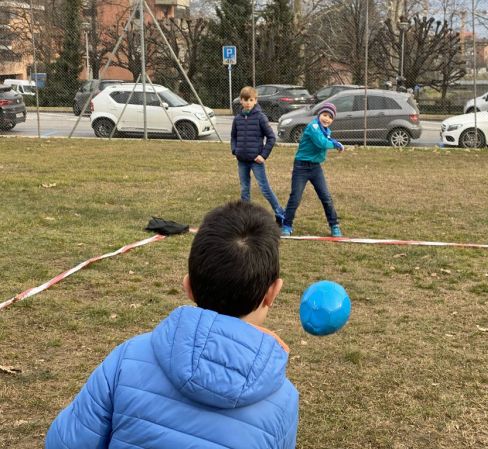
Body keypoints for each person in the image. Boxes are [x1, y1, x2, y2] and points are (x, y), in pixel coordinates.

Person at [45, 201, 299, 449]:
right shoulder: (284, 400)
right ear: (273, 293)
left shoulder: (127, 358)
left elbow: (64, 442)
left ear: (188, 286)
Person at [281, 102, 344, 237]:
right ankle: (286, 225)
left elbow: (326, 138)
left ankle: (334, 225)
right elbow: (321, 143)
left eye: (330, 117)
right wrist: (335, 144)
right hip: (301, 167)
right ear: (319, 114)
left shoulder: (325, 130)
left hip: (316, 168)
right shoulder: (313, 126)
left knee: (326, 197)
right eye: (324, 115)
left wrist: (334, 141)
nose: (326, 119)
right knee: (295, 197)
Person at [232, 86, 285, 225]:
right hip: (242, 160)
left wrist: (263, 155)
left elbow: (271, 138)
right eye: (245, 100)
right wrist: (235, 150)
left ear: (255, 101)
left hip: (256, 161)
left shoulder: (261, 117)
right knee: (244, 189)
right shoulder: (237, 119)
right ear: (241, 101)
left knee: (265, 188)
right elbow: (233, 137)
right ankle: (245, 216)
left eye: (251, 100)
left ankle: (280, 213)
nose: (248, 102)